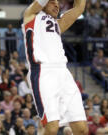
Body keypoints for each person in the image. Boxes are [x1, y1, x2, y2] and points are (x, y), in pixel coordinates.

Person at [22, 0, 87, 135]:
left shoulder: (58, 24)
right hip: (43, 71)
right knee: (52, 128)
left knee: (81, 129)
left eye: (58, 3)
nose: (57, 5)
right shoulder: (30, 16)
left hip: (63, 72)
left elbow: (79, 8)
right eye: (52, 2)